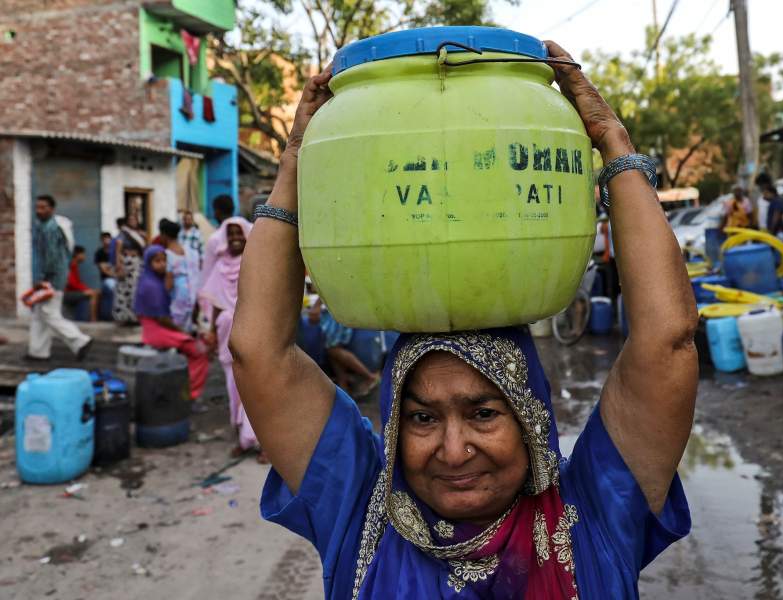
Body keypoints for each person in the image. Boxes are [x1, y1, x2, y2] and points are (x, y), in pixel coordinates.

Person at [231, 40, 696, 599]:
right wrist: (295, 165)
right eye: (422, 419)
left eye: (483, 413)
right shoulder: (359, 512)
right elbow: (258, 353)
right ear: (394, 428)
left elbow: (666, 340)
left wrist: (612, 144)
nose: (453, 451)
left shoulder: (594, 512)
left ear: (530, 418)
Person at [198, 217, 266, 460]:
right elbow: (215, 302)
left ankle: (265, 445)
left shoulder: (256, 264)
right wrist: (212, 334)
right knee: (233, 390)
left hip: (253, 334)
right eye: (231, 234)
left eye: (239, 233)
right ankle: (243, 440)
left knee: (256, 389)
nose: (235, 238)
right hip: (227, 338)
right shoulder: (219, 266)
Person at [133, 245, 210, 405]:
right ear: (149, 262)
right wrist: (183, 333)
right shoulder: (153, 286)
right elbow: (162, 318)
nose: (162, 264)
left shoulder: (148, 280)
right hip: (157, 331)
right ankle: (191, 393)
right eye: (157, 261)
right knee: (200, 351)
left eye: (164, 260)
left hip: (150, 329)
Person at [27, 195, 92, 361]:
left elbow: (51, 257)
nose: (39, 211)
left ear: (52, 209)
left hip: (51, 279)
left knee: (49, 314)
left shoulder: (50, 228)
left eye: (43, 207)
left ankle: (80, 341)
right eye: (37, 207)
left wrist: (42, 280)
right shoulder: (47, 226)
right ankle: (38, 352)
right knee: (39, 315)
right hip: (53, 277)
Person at [158, 218, 200, 332]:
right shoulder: (188, 250)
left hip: (177, 290)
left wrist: (163, 295)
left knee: (176, 322)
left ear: (164, 235)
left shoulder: (168, 254)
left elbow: (169, 281)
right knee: (186, 318)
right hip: (190, 288)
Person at [112, 213, 147, 324]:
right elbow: (118, 248)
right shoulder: (124, 233)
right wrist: (119, 265)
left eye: (134, 220)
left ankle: (136, 316)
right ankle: (124, 317)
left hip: (138, 263)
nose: (133, 222)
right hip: (127, 263)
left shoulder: (140, 234)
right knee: (125, 291)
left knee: (136, 290)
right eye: (130, 220)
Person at [199, 194, 236, 288]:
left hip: (221, 293)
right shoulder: (247, 232)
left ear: (217, 212)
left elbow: (207, 271)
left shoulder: (215, 238)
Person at [64, 246, 100, 322]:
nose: (84, 256)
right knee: (93, 294)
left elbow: (77, 283)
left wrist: (87, 289)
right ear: (77, 255)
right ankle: (93, 319)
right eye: (83, 254)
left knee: (96, 292)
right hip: (68, 293)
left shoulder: (75, 265)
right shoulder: (71, 265)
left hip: (73, 292)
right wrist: (86, 290)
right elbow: (72, 283)